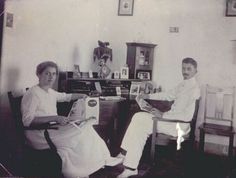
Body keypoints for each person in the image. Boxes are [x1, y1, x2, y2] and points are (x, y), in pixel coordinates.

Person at [21, 61, 122, 178]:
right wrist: (56, 118)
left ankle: (101, 161)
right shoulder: (33, 93)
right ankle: (97, 163)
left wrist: (82, 96)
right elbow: (27, 121)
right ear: (38, 74)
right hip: (39, 135)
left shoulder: (49, 92)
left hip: (51, 129)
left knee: (86, 128)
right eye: (47, 73)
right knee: (83, 131)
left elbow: (66, 96)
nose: (51, 77)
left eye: (54, 74)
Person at [116, 57, 201, 178]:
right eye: (183, 68)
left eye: (189, 69)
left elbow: (187, 116)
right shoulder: (183, 84)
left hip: (178, 125)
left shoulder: (195, 90)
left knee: (141, 123)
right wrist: (148, 95)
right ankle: (124, 153)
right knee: (137, 116)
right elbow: (167, 95)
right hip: (171, 120)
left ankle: (131, 167)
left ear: (195, 71)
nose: (185, 71)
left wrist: (162, 115)